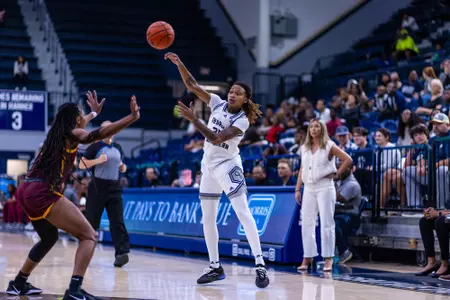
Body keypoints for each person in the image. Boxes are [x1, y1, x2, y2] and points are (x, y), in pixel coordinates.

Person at [6, 91, 140, 299]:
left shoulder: (58, 132)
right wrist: (131, 118)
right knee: (89, 236)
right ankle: (75, 290)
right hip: (43, 191)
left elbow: (83, 123)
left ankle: (18, 283)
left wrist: (93, 114)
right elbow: (95, 135)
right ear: (75, 120)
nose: (84, 116)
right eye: (82, 114)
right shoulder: (74, 135)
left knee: (49, 237)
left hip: (27, 190)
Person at [166, 52, 269, 288]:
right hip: (209, 166)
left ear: (245, 100)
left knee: (243, 212)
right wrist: (180, 62)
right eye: (231, 90)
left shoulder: (242, 121)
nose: (232, 94)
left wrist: (194, 119)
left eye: (238, 93)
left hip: (229, 165)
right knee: (208, 218)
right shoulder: (217, 103)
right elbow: (192, 85)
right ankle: (215, 266)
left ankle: (260, 265)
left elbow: (215, 137)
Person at [295, 118, 353, 272]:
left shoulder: (329, 145)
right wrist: (297, 188)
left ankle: (328, 258)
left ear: (322, 129)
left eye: (317, 126)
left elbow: (348, 159)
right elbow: (302, 169)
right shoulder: (304, 148)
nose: (314, 129)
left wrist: (337, 174)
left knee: (327, 222)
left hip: (325, 187)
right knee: (307, 223)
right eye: (311, 127)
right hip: (308, 188)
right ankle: (307, 256)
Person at [79, 121, 130, 268]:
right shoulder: (95, 146)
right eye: (106, 128)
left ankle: (121, 253)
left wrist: (122, 167)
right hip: (97, 187)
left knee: (117, 221)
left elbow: (122, 168)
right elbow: (82, 164)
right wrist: (98, 160)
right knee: (91, 221)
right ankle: (85, 251)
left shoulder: (118, 147)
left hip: (115, 187)